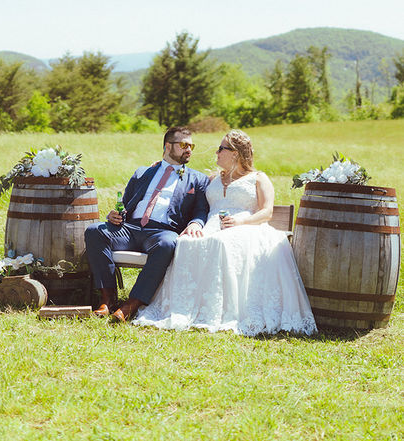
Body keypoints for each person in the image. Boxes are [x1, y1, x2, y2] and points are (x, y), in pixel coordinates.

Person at [134, 130, 317, 336]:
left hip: (247, 227)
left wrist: (241, 221)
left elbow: (267, 212)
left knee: (221, 243)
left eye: (221, 148)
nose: (217, 152)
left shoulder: (258, 178)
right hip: (212, 226)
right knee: (185, 243)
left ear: (235, 153)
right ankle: (184, 307)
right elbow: (184, 179)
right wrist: (159, 167)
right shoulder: (212, 178)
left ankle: (223, 310)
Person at [84, 126, 210, 322]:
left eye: (191, 145)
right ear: (168, 146)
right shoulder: (144, 172)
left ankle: (131, 304)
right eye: (184, 145)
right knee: (94, 231)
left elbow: (201, 210)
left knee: (167, 243)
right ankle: (107, 300)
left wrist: (196, 223)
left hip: (162, 231)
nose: (189, 150)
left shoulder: (198, 179)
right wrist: (114, 215)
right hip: (130, 228)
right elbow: (124, 204)